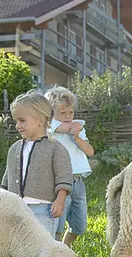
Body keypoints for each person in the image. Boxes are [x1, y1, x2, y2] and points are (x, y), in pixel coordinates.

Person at [1, 90, 73, 257]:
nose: (18, 125)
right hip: (16, 208)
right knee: (17, 245)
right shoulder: (14, 149)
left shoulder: (55, 148)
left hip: (44, 209)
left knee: (41, 249)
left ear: (40, 120)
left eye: (22, 120)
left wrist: (60, 198)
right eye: (16, 121)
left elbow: (64, 175)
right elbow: (7, 177)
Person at [44, 86, 95, 247]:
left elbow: (90, 151)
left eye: (71, 112)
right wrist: (75, 127)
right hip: (59, 182)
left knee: (79, 226)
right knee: (57, 225)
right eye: (62, 113)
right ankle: (54, 254)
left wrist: (78, 139)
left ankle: (64, 248)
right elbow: (65, 127)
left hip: (78, 181)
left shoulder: (77, 129)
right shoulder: (50, 126)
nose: (68, 117)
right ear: (52, 113)